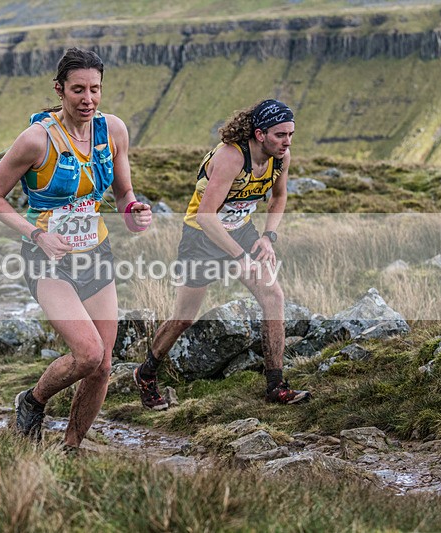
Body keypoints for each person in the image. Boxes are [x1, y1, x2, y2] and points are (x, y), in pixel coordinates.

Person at [0, 47, 153, 449]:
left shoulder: (114, 130)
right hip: (48, 260)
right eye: (78, 89)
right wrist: (36, 234)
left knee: (104, 364)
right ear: (60, 90)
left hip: (96, 255)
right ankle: (33, 400)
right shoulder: (35, 139)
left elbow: (123, 191)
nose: (87, 99)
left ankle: (71, 448)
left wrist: (133, 211)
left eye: (95, 89)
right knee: (88, 353)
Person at [133, 99, 311, 410]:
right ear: (259, 134)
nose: (287, 142)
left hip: (241, 230)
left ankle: (276, 385)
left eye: (291, 134)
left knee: (273, 297)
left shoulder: (280, 158)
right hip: (201, 236)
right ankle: (146, 374)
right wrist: (240, 256)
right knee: (185, 317)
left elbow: (279, 196)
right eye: (281, 135)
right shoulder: (231, 157)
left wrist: (268, 237)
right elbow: (205, 216)